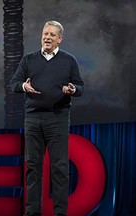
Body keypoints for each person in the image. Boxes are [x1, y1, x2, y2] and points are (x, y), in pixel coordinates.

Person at [10, 20, 84, 216]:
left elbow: (80, 86)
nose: (47, 37)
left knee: (59, 168)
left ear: (60, 39)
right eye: (45, 34)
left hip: (57, 119)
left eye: (52, 35)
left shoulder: (69, 60)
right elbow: (14, 83)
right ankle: (32, 213)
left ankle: (60, 213)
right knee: (33, 168)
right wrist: (24, 86)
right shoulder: (28, 60)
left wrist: (72, 89)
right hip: (33, 119)